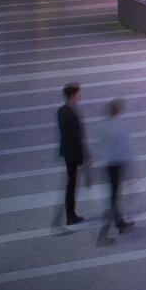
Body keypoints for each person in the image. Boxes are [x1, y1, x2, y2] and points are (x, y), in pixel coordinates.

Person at [97, 97, 136, 245]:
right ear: (119, 111)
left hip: (107, 165)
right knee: (113, 200)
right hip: (118, 165)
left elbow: (98, 147)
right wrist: (132, 171)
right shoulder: (120, 127)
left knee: (114, 197)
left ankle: (121, 224)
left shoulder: (102, 126)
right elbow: (125, 150)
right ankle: (102, 236)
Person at [55, 82, 87, 230]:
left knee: (71, 183)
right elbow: (76, 138)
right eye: (78, 93)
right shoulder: (72, 114)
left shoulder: (61, 111)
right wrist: (83, 157)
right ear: (73, 95)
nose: (80, 96)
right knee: (72, 185)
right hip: (73, 153)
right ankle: (70, 216)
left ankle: (70, 214)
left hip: (67, 152)